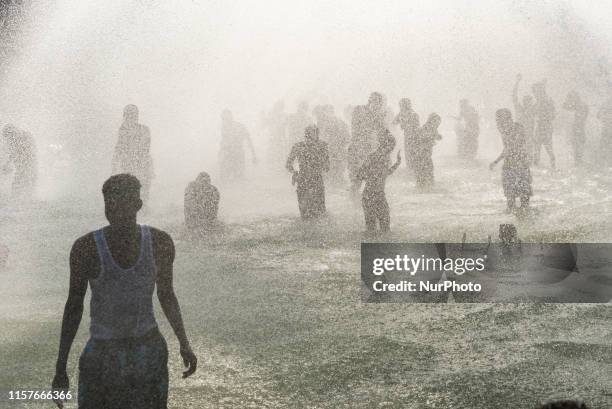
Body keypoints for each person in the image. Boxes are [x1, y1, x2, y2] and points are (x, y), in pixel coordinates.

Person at [51, 174, 197, 409]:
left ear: (139, 204)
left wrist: (184, 342)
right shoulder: (85, 248)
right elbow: (73, 306)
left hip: (145, 352)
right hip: (106, 354)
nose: (115, 209)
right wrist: (60, 366)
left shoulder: (160, 242)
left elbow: (167, 295)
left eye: (122, 202)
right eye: (110, 203)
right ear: (105, 207)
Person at [355, 129, 401, 234]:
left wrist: (397, 163)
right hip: (371, 196)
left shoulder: (382, 157)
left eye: (393, 147)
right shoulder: (375, 157)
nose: (392, 149)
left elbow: (384, 173)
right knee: (378, 230)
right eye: (391, 146)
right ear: (385, 144)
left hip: (376, 195)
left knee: (381, 229)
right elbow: (361, 174)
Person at [490, 108, 532, 214]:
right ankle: (521, 215)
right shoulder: (509, 129)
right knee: (518, 191)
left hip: (517, 162)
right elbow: (509, 148)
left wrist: (497, 161)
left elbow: (513, 146)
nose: (497, 122)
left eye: (498, 119)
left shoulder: (514, 128)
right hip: (517, 162)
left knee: (516, 191)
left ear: (505, 118)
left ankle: (517, 215)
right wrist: (496, 161)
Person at [112, 104, 154, 206]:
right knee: (138, 188)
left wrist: (116, 162)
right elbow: (120, 147)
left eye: (131, 115)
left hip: (138, 164)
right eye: (128, 115)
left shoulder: (132, 130)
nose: (128, 118)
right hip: (136, 164)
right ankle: (139, 208)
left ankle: (140, 208)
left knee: (140, 188)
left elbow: (145, 148)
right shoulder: (126, 129)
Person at [348, 92, 388, 196]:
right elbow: (357, 128)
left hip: (368, 149)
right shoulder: (360, 110)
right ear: (370, 101)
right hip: (358, 149)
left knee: (369, 181)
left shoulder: (376, 115)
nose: (377, 106)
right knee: (356, 179)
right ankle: (355, 204)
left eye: (379, 104)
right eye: (376, 103)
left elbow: (381, 133)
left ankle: (362, 205)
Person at [286, 125, 329, 219]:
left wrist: (295, 172)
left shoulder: (298, 146)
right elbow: (327, 167)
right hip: (316, 180)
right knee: (320, 212)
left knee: (305, 213)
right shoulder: (322, 146)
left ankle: (306, 231)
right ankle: (317, 232)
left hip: (303, 180)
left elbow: (288, 164)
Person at [314, 105, 350, 186]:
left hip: (332, 147)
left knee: (332, 163)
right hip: (338, 147)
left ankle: (334, 178)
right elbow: (347, 137)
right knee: (337, 163)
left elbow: (321, 135)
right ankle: (337, 178)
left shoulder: (326, 121)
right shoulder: (340, 121)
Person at [219, 109, 256, 183]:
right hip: (229, 154)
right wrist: (220, 153)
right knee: (227, 178)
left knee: (238, 177)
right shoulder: (224, 127)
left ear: (231, 117)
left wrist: (254, 154)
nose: (224, 121)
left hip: (237, 154)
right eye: (223, 119)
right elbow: (223, 141)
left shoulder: (239, 126)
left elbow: (248, 139)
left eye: (225, 119)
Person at [1, 124, 37, 199]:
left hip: (29, 164)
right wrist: (8, 164)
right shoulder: (12, 140)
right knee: (17, 182)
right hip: (21, 166)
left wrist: (9, 163)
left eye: (8, 135)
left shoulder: (25, 136)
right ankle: (16, 198)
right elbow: (12, 153)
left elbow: (31, 151)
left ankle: (26, 198)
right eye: (7, 136)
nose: (8, 138)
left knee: (27, 180)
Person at [413, 113, 442, 191]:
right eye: (437, 122)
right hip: (421, 153)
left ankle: (425, 185)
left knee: (427, 169)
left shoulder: (433, 128)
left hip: (425, 153)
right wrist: (431, 138)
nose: (438, 124)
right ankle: (423, 185)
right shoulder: (426, 127)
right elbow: (422, 137)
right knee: (425, 169)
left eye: (439, 123)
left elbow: (435, 135)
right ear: (432, 120)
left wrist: (438, 136)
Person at [532, 80, 556, 169]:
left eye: (535, 91)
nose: (534, 94)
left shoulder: (544, 100)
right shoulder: (546, 100)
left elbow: (534, 111)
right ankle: (552, 165)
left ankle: (539, 166)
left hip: (544, 126)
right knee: (545, 147)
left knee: (541, 146)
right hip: (544, 126)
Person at [512, 74, 536, 163]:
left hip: (528, 137)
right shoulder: (519, 109)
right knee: (519, 156)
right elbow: (514, 96)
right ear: (524, 102)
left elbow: (541, 101)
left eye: (529, 101)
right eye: (526, 101)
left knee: (528, 157)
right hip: (519, 136)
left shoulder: (532, 110)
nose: (528, 103)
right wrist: (517, 83)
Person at [392, 98, 420, 173]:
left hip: (413, 135)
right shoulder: (402, 113)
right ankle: (411, 167)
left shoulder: (413, 114)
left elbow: (416, 126)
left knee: (411, 151)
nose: (400, 107)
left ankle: (413, 167)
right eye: (400, 105)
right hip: (408, 135)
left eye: (401, 105)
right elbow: (394, 122)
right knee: (409, 151)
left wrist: (404, 124)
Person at [562, 91, 589, 166]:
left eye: (574, 97)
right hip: (579, 127)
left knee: (577, 143)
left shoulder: (579, 105)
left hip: (578, 127)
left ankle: (578, 160)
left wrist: (568, 99)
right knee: (578, 143)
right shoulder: (582, 105)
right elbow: (566, 107)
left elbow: (566, 107)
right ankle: (578, 160)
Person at [262, 100, 288, 171]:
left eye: (282, 106)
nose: (282, 108)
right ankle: (274, 168)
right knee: (275, 152)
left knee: (277, 152)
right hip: (275, 136)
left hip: (277, 136)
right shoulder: (275, 114)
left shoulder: (281, 115)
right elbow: (266, 123)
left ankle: (276, 168)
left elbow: (282, 125)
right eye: (281, 106)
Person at [596, 91, 612, 165]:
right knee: (605, 143)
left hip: (606, 127)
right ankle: (606, 159)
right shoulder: (606, 104)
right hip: (607, 127)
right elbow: (598, 115)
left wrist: (604, 118)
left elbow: (598, 115)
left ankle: (604, 159)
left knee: (604, 143)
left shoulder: (605, 103)